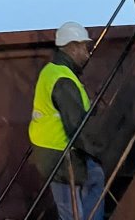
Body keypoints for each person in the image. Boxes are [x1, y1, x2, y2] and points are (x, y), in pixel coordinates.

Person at [28, 22, 105, 220]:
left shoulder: (54, 72)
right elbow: (76, 125)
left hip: (52, 153)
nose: (87, 53)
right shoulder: (63, 79)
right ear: (72, 47)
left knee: (95, 177)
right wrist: (97, 152)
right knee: (71, 213)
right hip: (60, 156)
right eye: (84, 47)